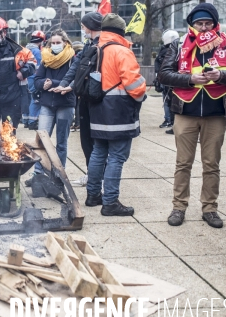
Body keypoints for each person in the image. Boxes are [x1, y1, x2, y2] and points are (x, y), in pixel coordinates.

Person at [158, 3, 226, 229]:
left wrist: (221, 75)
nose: (204, 27)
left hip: (216, 112)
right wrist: (188, 79)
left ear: (215, 24)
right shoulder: (179, 44)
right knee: (183, 163)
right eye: (200, 23)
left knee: (211, 164)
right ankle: (179, 207)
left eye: (208, 23)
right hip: (185, 110)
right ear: (192, 24)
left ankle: (210, 208)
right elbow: (164, 74)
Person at [83, 14, 146, 216]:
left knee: (98, 152)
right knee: (117, 157)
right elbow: (134, 85)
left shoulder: (95, 49)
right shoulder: (122, 51)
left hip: (97, 108)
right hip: (118, 110)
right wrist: (142, 92)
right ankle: (110, 202)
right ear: (121, 31)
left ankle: (93, 195)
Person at [52, 12, 103, 187]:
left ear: (90, 26)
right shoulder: (89, 45)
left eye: (83, 26)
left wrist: (71, 86)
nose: (82, 29)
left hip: (97, 100)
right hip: (85, 99)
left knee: (96, 143)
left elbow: (87, 74)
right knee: (86, 141)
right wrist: (66, 82)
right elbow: (76, 67)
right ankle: (92, 175)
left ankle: (97, 178)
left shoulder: (101, 46)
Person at [25, 29, 76, 186]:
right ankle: (38, 174)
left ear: (65, 43)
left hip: (65, 104)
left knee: (61, 142)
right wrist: (44, 84)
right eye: (52, 43)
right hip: (47, 104)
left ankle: (59, 175)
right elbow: (37, 80)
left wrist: (52, 83)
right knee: (41, 141)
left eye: (58, 43)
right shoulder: (46, 59)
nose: (55, 45)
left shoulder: (72, 59)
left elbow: (73, 79)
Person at [154, 30, 179, 131]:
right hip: (174, 79)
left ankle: (169, 121)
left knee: (168, 101)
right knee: (171, 101)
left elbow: (161, 66)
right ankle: (172, 121)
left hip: (168, 80)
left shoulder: (166, 51)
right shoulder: (178, 49)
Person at [25, 30, 45, 130]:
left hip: (26, 78)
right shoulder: (37, 51)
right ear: (41, 41)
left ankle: (25, 120)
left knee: (27, 99)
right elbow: (39, 67)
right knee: (36, 99)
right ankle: (32, 122)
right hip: (33, 78)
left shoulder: (25, 49)